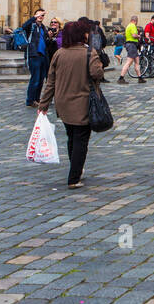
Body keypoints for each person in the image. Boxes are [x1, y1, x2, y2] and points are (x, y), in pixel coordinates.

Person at [36, 20, 105, 189]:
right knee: (81, 139)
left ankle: (76, 169)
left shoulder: (59, 54)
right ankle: (74, 177)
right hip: (83, 102)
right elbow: (98, 73)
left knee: (72, 137)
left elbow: (50, 82)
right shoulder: (89, 53)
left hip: (63, 103)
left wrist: (43, 105)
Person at [21, 8, 50, 108]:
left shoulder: (43, 27)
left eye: (42, 15)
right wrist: (34, 17)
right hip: (34, 55)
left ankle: (37, 99)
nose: (40, 17)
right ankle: (30, 100)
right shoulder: (31, 26)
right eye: (38, 15)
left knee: (41, 79)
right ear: (35, 16)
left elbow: (45, 40)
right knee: (35, 78)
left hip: (42, 55)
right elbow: (23, 26)